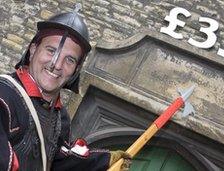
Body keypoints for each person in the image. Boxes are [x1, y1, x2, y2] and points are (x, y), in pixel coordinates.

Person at [0, 5, 131, 171]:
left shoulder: (60, 118)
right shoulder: (4, 96)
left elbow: (58, 162)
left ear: (76, 70)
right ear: (33, 50)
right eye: (50, 50)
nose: (56, 65)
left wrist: (104, 161)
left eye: (69, 60)